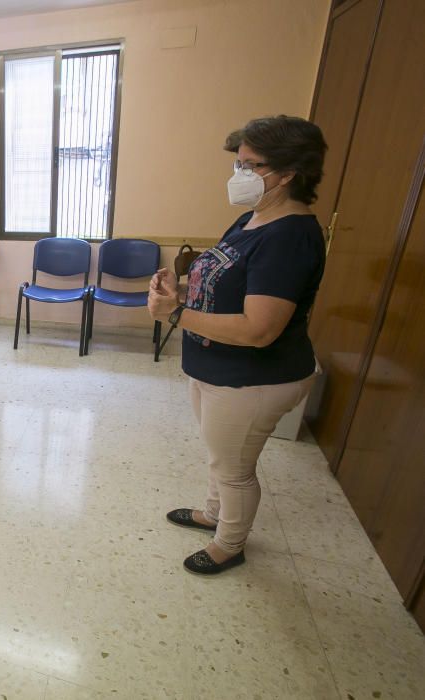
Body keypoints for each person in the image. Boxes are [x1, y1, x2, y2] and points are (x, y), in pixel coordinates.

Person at [148, 115, 327, 575]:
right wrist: (181, 290)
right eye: (238, 163)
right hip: (217, 367)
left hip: (253, 378)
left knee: (235, 468)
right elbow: (224, 280)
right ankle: (213, 514)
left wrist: (173, 314)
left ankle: (230, 543)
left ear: (288, 173)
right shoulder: (255, 216)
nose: (238, 175)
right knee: (221, 455)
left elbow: (258, 329)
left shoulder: (289, 236)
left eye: (250, 166)